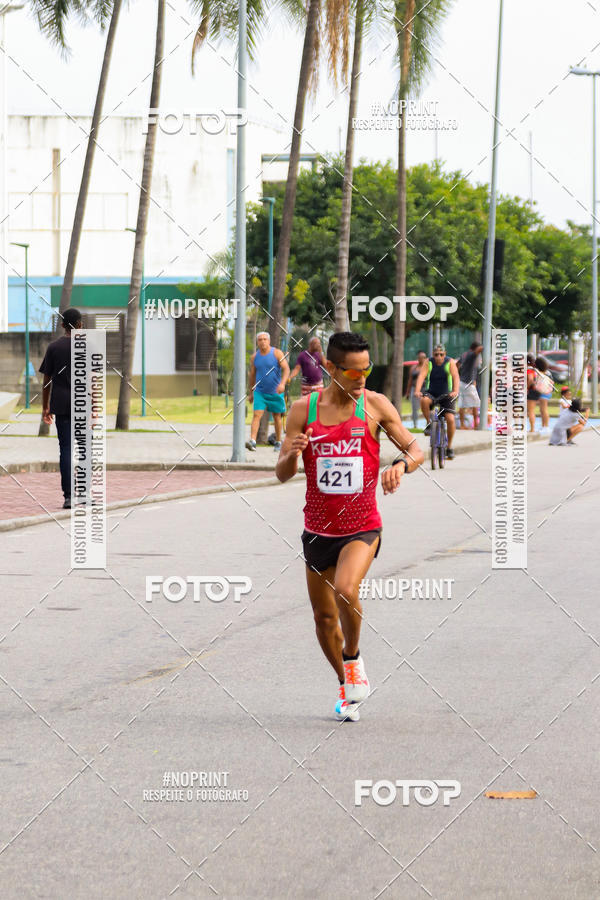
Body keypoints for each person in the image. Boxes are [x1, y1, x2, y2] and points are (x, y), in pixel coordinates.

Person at [276, 331, 424, 722]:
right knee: (323, 619)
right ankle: (347, 686)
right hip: (317, 531)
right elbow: (281, 474)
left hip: (362, 527)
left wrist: (399, 466)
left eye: (367, 369)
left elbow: (415, 447)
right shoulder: (302, 410)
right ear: (330, 368)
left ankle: (354, 659)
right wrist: (291, 454)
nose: (362, 378)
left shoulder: (374, 405)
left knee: (345, 589)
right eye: (353, 372)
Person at [39, 307, 83, 509]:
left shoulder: (53, 348)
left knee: (66, 449)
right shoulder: (86, 347)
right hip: (82, 404)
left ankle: (68, 497)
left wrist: (45, 407)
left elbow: (47, 381)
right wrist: (94, 408)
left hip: (61, 404)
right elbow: (93, 381)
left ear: (63, 325)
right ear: (80, 325)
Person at [246, 332, 290, 452]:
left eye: (265, 339)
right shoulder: (254, 357)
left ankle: (278, 442)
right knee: (256, 415)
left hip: (275, 391)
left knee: (277, 417)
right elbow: (252, 375)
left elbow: (286, 369)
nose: (262, 341)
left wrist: (282, 384)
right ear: (257, 342)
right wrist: (251, 392)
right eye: (260, 339)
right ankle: (253, 441)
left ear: (269, 341)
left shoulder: (276, 353)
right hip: (260, 392)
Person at [414, 344, 460, 459]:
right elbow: (421, 376)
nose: (439, 357)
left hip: (447, 394)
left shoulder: (450, 362)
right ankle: (429, 423)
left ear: (445, 354)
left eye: (441, 354)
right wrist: (417, 390)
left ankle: (449, 447)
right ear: (433, 355)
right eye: (436, 355)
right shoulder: (428, 362)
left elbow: (455, 377)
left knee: (450, 419)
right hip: (432, 393)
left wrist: (455, 391)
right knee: (424, 401)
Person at [457, 341, 483, 429]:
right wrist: (486, 345)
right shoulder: (472, 355)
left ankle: (462, 425)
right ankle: (476, 424)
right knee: (476, 404)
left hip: (461, 382)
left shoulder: (464, 354)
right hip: (468, 383)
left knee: (462, 404)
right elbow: (479, 349)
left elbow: (457, 364)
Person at [527, 355, 553, 432]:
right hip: (547, 391)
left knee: (543, 410)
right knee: (543, 410)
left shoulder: (537, 372)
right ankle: (544, 426)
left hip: (542, 392)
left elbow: (532, 380)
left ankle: (546, 426)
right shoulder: (547, 372)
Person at [404, 349, 427, 429]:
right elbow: (410, 380)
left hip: (425, 389)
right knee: (414, 408)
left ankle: (428, 423)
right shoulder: (413, 368)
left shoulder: (427, 368)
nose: (422, 359)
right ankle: (415, 425)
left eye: (423, 357)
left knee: (426, 407)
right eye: (420, 357)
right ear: (418, 358)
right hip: (414, 390)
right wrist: (407, 392)